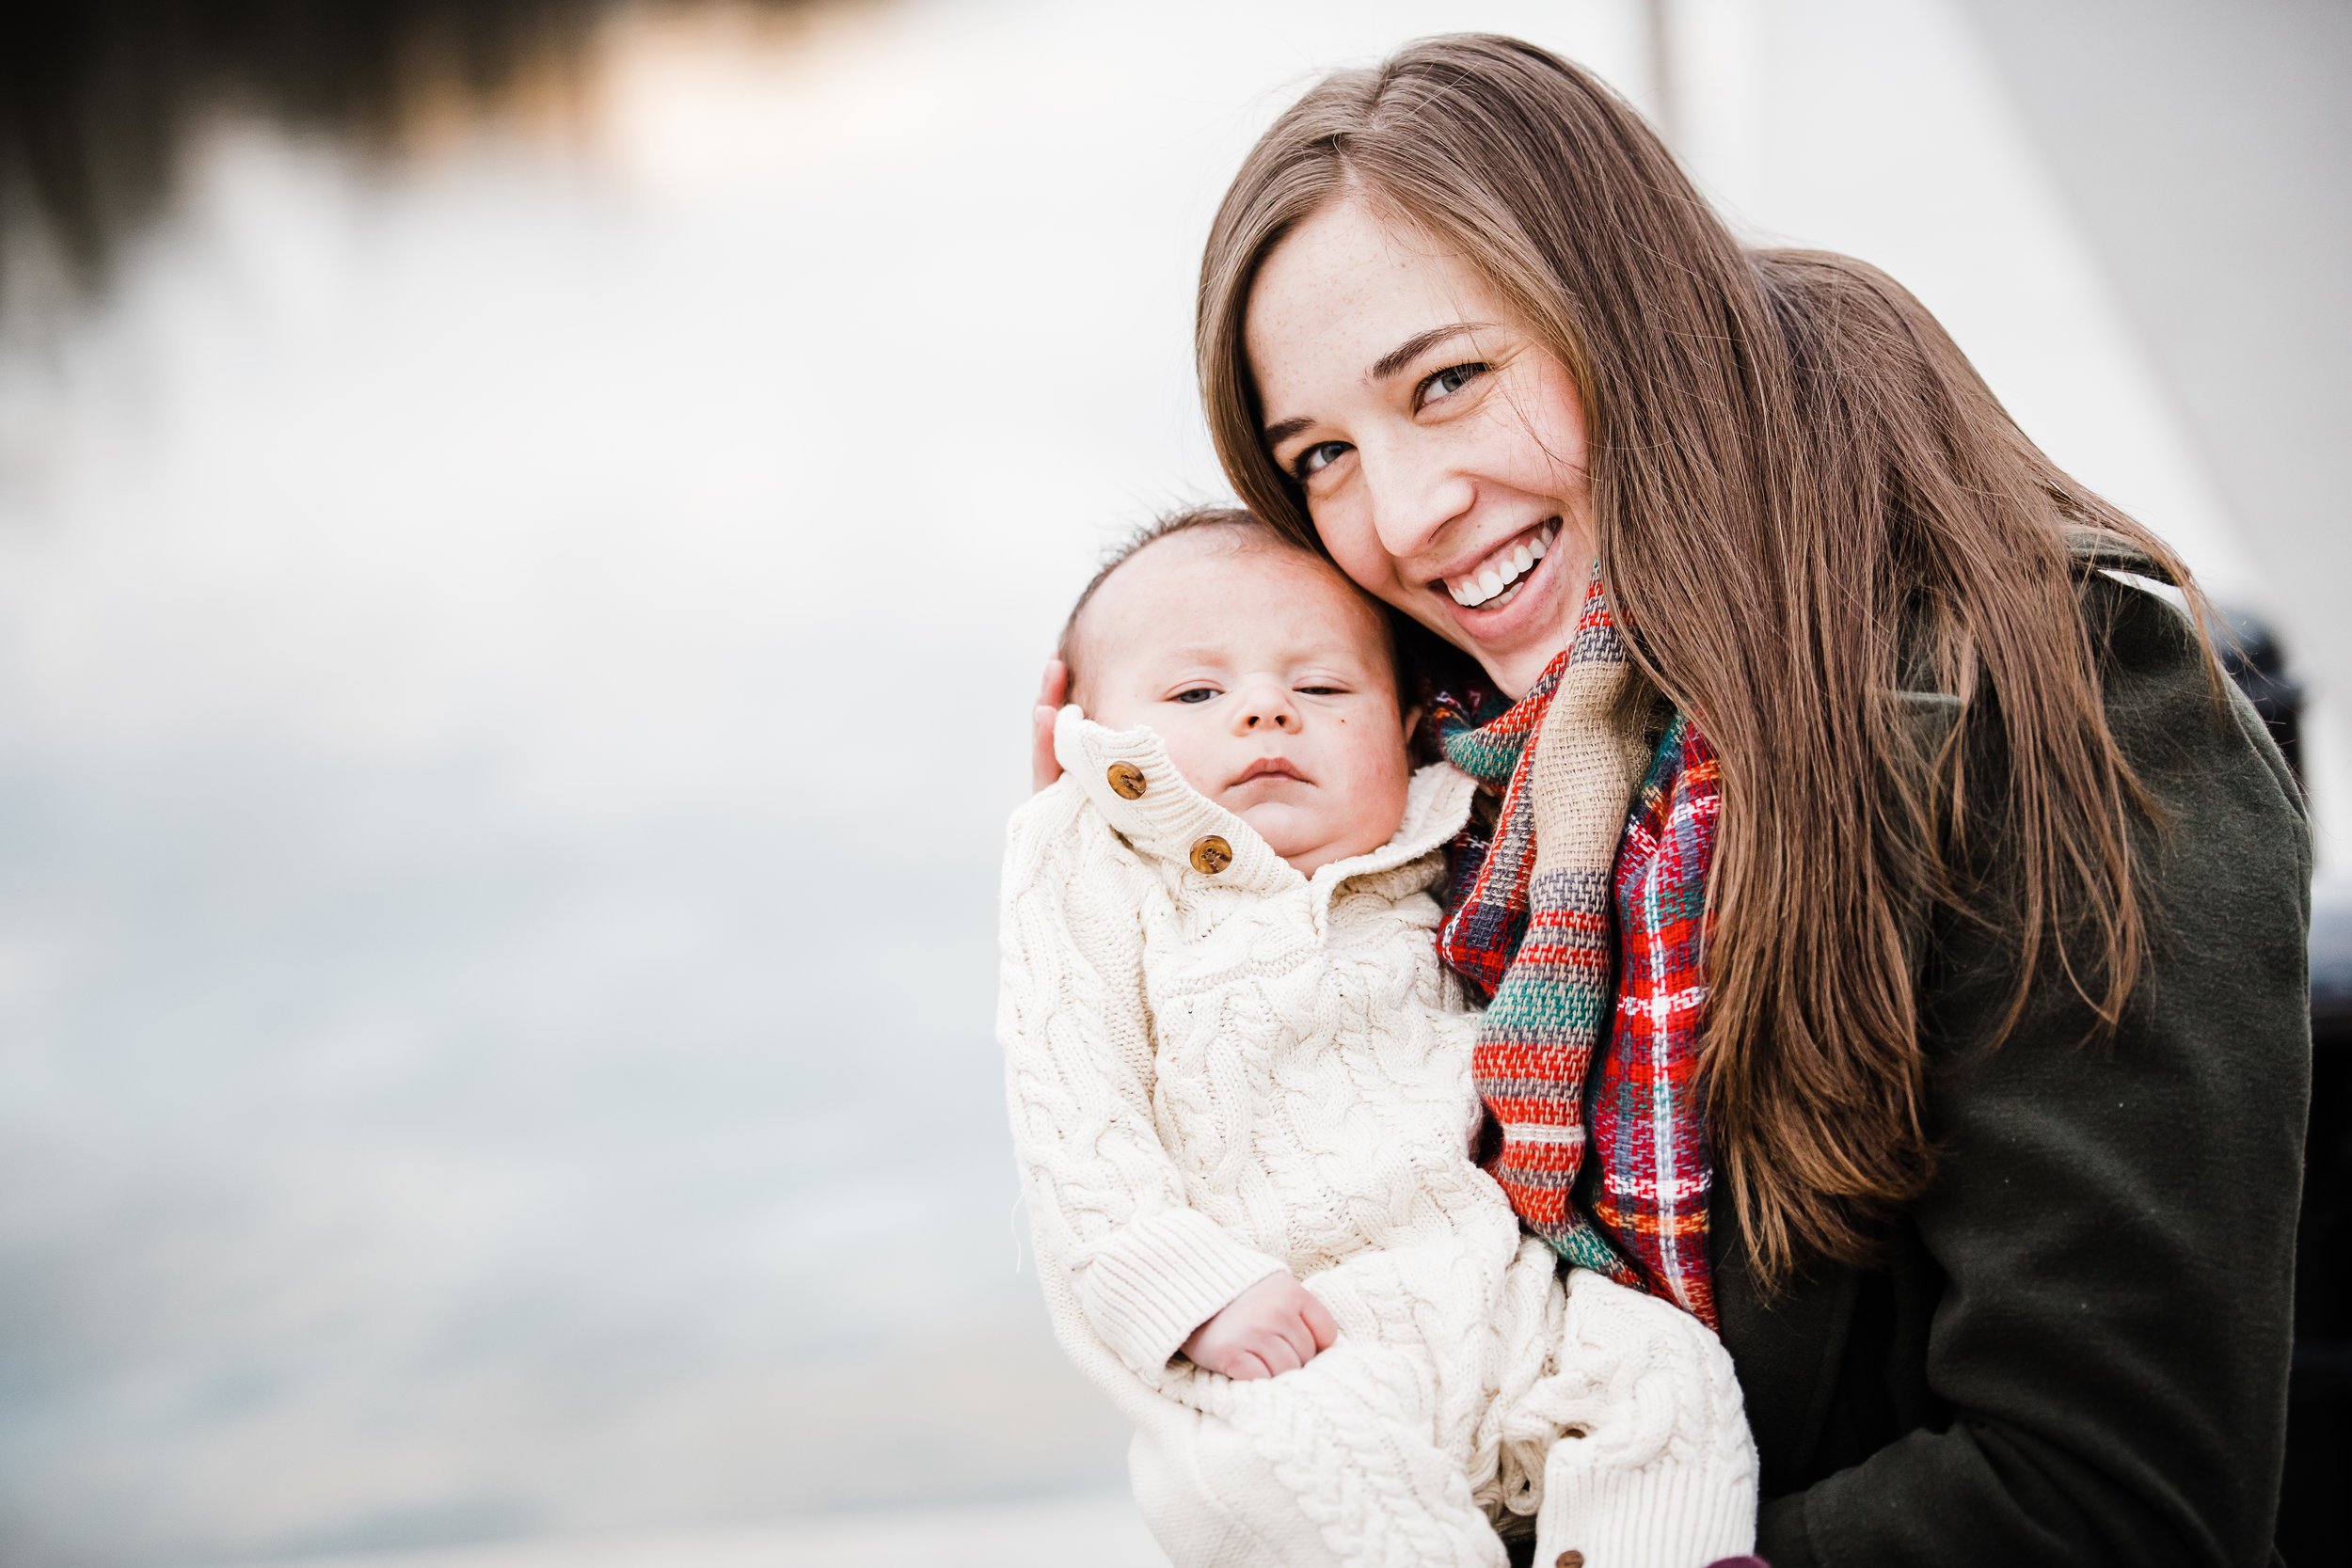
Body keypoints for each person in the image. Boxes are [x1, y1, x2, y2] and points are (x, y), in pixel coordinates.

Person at [1152, 31, 2308, 1568]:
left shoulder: (2054, 697)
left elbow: (2110, 1497)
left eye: (1450, 380)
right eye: (1322, 457)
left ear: (1627, 309)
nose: (1408, 514)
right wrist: (1143, 862)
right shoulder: (1458, 781)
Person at [999, 506, 1761, 1568]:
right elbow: (1070, 1107)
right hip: (1284, 1343)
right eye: (1194, 693)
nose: (1266, 711)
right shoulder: (1094, 873)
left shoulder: (1457, 833)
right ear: (1085, 734)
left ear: (1409, 726)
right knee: (1322, 1486)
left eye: (1320, 688)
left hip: (1500, 1305)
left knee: (1663, 1375)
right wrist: (1190, 1291)